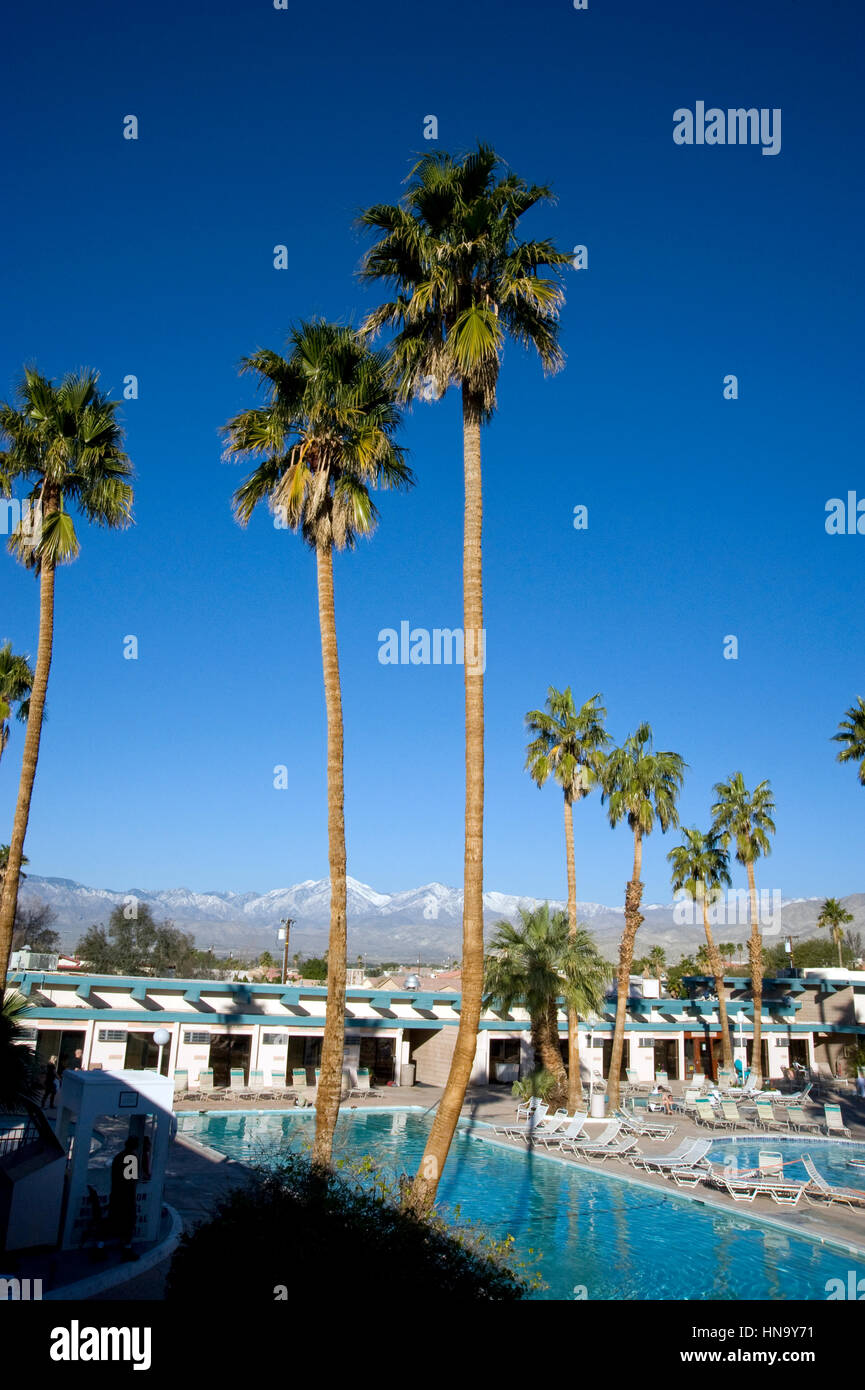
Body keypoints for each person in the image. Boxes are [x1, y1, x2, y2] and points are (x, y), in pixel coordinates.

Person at [109, 1137, 140, 1261]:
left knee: (119, 1221)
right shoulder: (130, 1158)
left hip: (117, 1194)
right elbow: (130, 1181)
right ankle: (127, 1250)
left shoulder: (119, 1156)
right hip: (125, 1196)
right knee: (129, 1222)